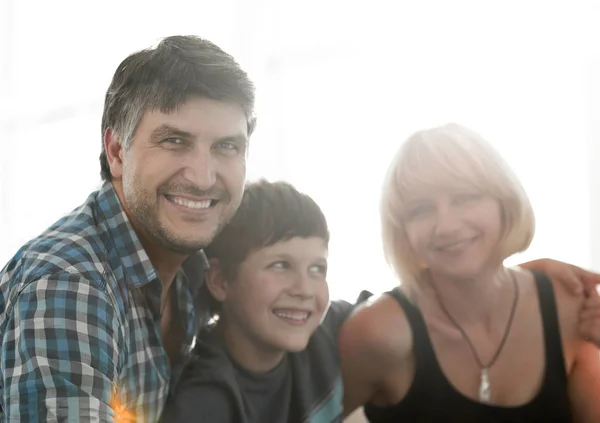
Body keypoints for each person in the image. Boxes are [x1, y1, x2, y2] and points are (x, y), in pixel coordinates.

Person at [0, 35, 255, 422]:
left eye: (227, 147)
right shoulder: (71, 283)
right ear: (117, 152)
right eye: (174, 141)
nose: (204, 178)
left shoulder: (201, 268)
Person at [339, 123, 600, 422]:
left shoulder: (567, 305)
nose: (446, 225)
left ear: (505, 203)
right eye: (421, 210)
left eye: (465, 198)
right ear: (403, 232)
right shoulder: (376, 333)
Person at [160, 180, 353, 423]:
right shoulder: (203, 402)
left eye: (317, 268)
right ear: (220, 281)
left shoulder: (335, 333)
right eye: (281, 265)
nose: (304, 290)